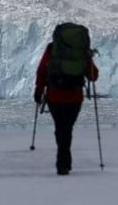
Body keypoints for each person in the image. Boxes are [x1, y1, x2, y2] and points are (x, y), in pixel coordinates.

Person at [34, 25, 98, 175]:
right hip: (74, 96)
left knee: (61, 127)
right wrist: (87, 57)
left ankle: (63, 161)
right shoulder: (81, 51)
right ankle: (64, 161)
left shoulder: (52, 49)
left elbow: (42, 70)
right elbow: (93, 76)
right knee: (67, 127)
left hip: (54, 95)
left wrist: (38, 91)